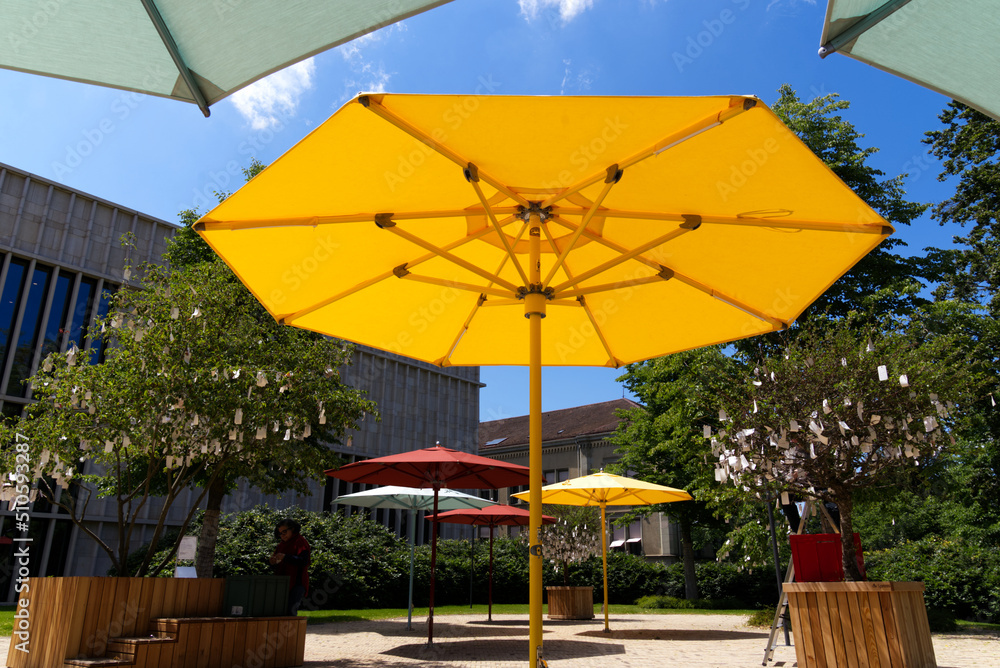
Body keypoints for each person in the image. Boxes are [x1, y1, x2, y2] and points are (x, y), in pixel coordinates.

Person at [269, 519, 310, 615]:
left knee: (290, 612)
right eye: (280, 533)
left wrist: (285, 557)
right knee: (279, 611)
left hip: (296, 582)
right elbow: (276, 564)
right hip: (282, 582)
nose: (282, 535)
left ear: (293, 529)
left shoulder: (300, 542)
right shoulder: (281, 545)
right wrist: (272, 562)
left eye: (285, 532)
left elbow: (304, 561)